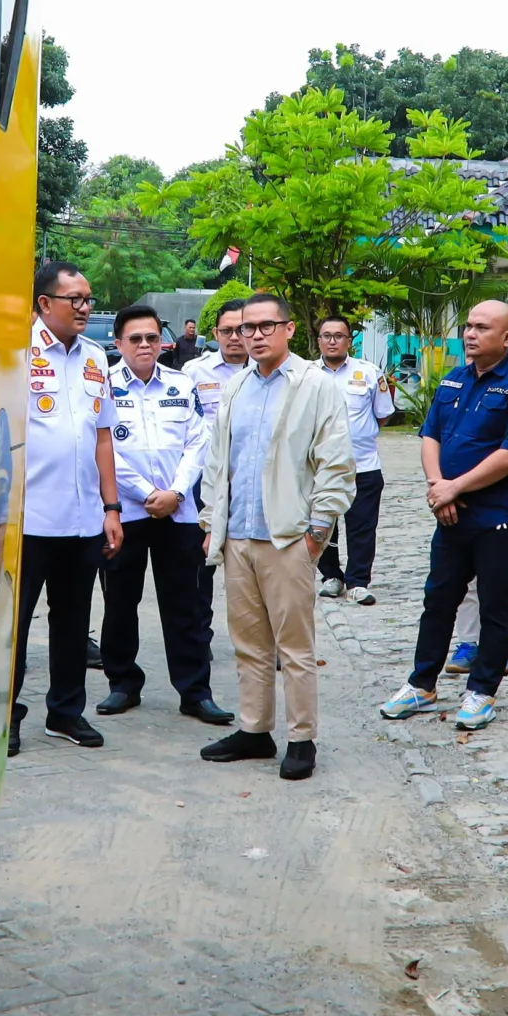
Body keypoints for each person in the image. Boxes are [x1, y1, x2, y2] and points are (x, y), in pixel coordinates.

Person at [196, 292, 355, 781]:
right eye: (248, 328)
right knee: (248, 643)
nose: (256, 335)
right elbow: (218, 461)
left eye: (267, 326)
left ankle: (301, 737)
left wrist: (317, 533)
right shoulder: (237, 387)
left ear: (289, 329)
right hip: (239, 538)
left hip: (288, 538)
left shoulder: (315, 386)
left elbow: (335, 464)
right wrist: (211, 525)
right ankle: (254, 729)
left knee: (295, 648)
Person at [378, 299, 508, 733]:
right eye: (469, 326)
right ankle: (422, 684)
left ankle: (482, 690)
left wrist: (456, 486)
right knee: (438, 599)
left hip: (498, 517)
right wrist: (439, 487)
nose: (470, 334)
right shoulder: (453, 380)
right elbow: (430, 436)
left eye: (482, 328)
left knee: (493, 603)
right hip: (451, 513)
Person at [96, 303, 234, 726]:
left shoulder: (180, 383)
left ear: (162, 342)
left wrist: (174, 493)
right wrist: (147, 493)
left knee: (186, 605)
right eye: (135, 339)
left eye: (152, 338)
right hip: (125, 512)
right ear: (118, 343)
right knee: (120, 601)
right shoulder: (102, 385)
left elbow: (199, 442)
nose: (144, 345)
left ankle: (195, 692)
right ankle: (123, 683)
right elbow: (104, 450)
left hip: (178, 514)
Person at [15, 259, 124, 753]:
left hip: (83, 519)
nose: (84, 308)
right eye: (74, 300)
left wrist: (112, 507)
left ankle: (64, 712)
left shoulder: (96, 357)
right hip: (26, 518)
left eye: (88, 300)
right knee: (11, 628)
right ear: (44, 303)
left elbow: (103, 436)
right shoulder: (14, 353)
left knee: (73, 621)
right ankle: (4, 716)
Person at [178, 300, 249, 664]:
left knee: (257, 565)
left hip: (253, 482)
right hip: (203, 484)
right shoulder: (193, 371)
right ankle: (198, 640)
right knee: (199, 565)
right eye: (227, 331)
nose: (235, 337)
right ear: (216, 333)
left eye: (243, 329)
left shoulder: (273, 372)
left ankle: (263, 643)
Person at [312, 314, 394, 605]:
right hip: (320, 468)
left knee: (361, 526)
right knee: (323, 524)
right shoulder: (306, 375)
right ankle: (331, 577)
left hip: (363, 465)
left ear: (349, 341)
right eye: (326, 335)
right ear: (318, 339)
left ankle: (359, 581)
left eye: (339, 335)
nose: (332, 340)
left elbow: (383, 414)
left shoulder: (369, 373)